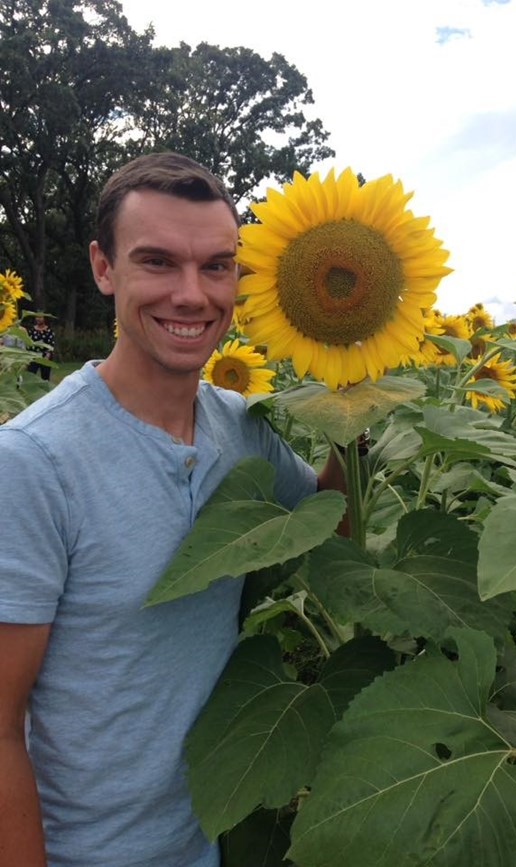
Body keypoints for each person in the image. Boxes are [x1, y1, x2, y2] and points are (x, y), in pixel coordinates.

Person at [0, 152, 346, 867]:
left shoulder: (241, 427)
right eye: (157, 262)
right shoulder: (32, 462)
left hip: (204, 843)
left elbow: (328, 521)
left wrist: (358, 397)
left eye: (217, 266)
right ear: (104, 267)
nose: (192, 295)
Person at [26, 314, 56, 381]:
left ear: (44, 318)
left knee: (45, 378)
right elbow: (28, 342)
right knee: (30, 375)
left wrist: (48, 355)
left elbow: (51, 344)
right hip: (33, 356)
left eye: (40, 317)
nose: (38, 319)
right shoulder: (31, 330)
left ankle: (45, 390)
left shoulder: (49, 331)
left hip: (45, 356)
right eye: (36, 317)